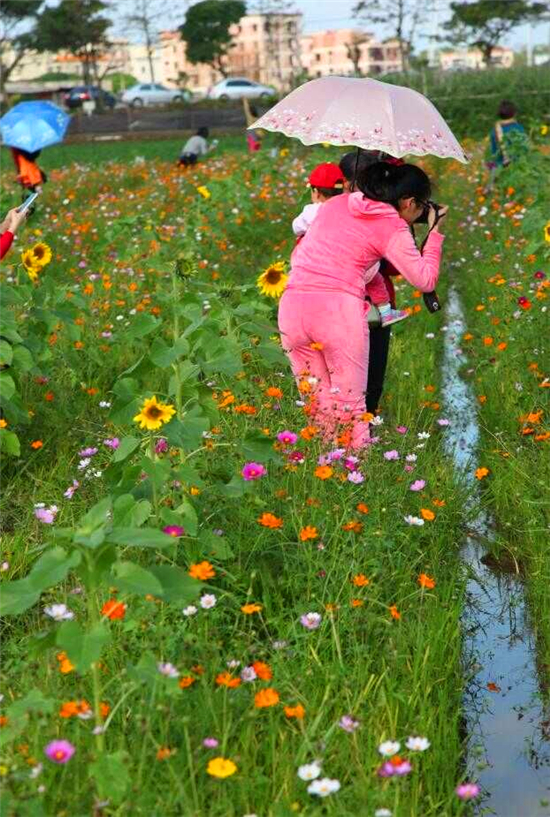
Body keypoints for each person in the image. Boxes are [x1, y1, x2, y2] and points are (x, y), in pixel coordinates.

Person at [278, 162, 448, 451]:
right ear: (409, 203)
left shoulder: (335, 204)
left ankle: (326, 469)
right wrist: (434, 233)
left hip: (292, 308)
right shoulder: (392, 225)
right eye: (420, 208)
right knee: (351, 407)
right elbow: (425, 279)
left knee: (318, 406)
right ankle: (355, 473)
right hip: (337, 312)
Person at [293, 161, 409, 329]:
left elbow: (297, 228)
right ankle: (385, 312)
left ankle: (358, 312)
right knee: (375, 281)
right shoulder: (353, 206)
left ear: (315, 192)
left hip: (332, 274)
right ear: (343, 188)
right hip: (363, 267)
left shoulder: (311, 211)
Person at [340, 151, 406, 413]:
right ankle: (365, 424)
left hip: (340, 305)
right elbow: (397, 266)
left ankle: (352, 428)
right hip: (373, 308)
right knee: (371, 376)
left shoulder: (324, 212)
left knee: (344, 377)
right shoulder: (384, 213)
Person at [488, 100, 527, 169]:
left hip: (498, 168)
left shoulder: (494, 130)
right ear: (514, 114)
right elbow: (524, 148)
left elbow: (493, 151)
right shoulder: (518, 128)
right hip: (516, 167)